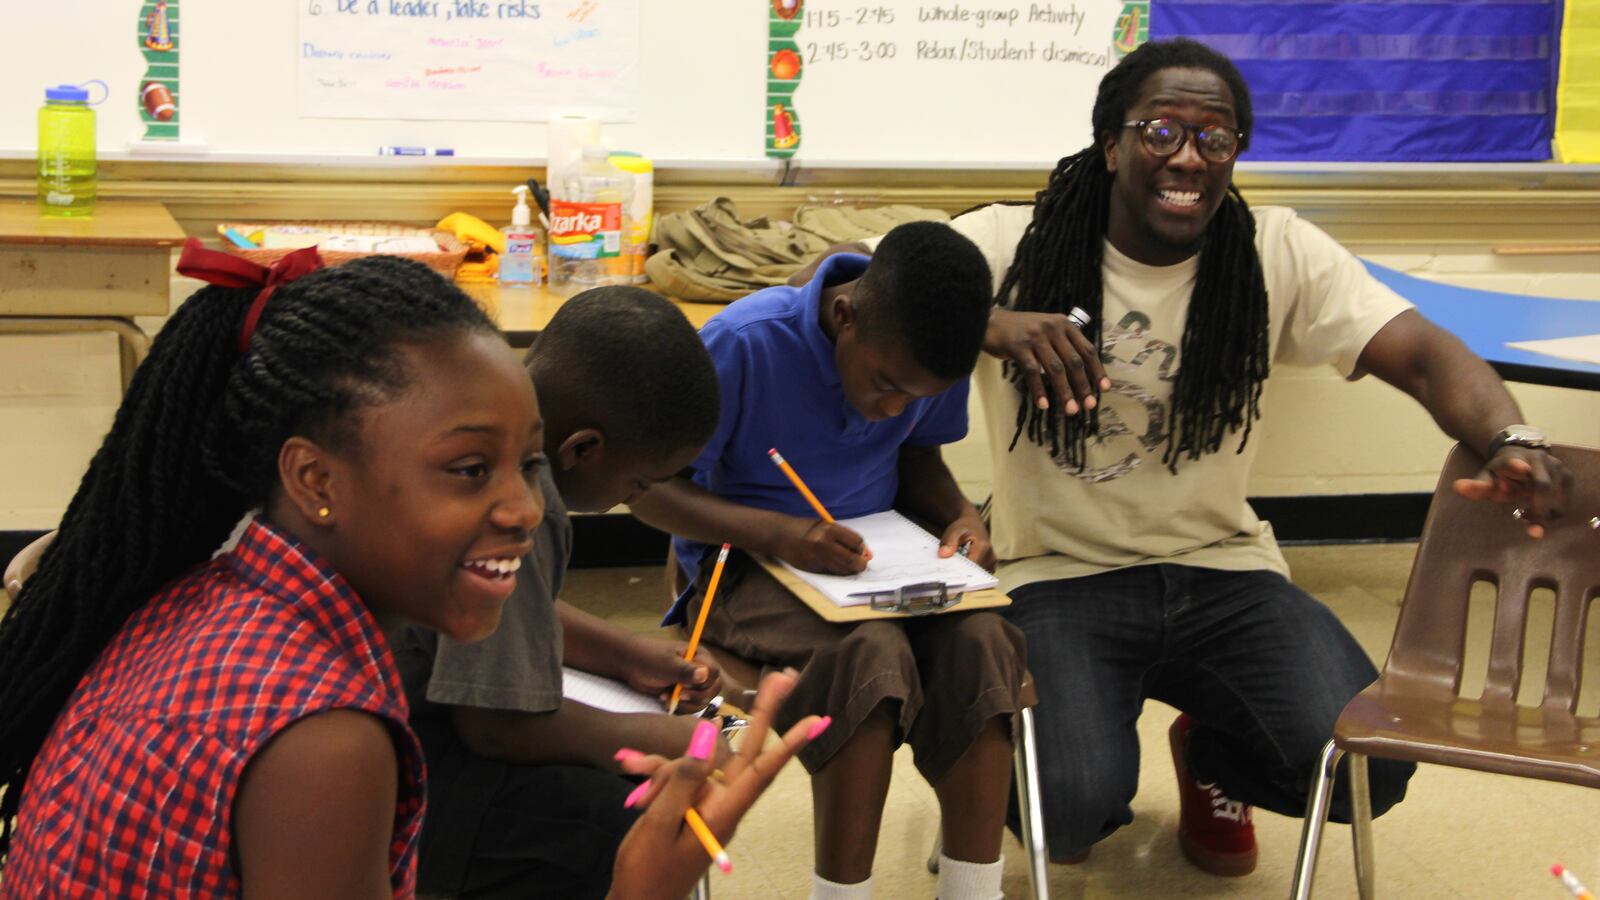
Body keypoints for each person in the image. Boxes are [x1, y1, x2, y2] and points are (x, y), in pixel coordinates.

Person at [859, 37, 1573, 878]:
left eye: (1216, 138)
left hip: (1223, 570)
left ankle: (1209, 754)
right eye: (1162, 132)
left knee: (1368, 770)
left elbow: (1421, 351)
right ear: (1112, 143)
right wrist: (991, 323)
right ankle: (1065, 782)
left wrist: (1510, 436)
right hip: (1055, 575)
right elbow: (870, 296)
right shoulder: (1015, 242)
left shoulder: (1274, 251)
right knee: (1068, 804)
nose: (1189, 158)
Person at [0, 246, 819, 899]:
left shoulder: (211, 594)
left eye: (527, 463)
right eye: (469, 469)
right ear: (316, 480)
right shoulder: (322, 740)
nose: (526, 508)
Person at [632, 220, 1028, 900]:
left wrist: (960, 516)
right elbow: (648, 490)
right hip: (742, 572)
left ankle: (972, 889)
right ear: (844, 315)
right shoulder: (742, 344)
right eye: (884, 384)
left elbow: (917, 457)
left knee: (986, 641)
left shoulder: (926, 352)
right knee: (869, 657)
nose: (893, 408)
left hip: (877, 565)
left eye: (916, 397)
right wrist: (781, 535)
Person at [390, 286, 731, 900]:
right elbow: (499, 727)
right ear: (583, 451)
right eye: (637, 481)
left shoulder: (462, 421)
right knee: (630, 816)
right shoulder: (523, 494)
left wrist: (626, 655)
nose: (633, 497)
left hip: (373, 728)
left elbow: (505, 604)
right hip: (406, 781)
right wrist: (672, 739)